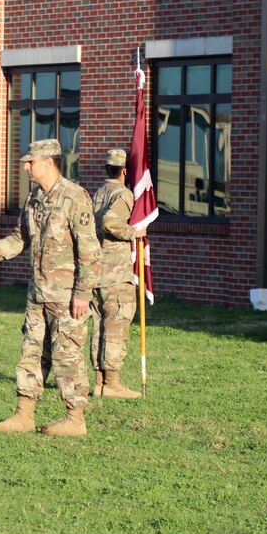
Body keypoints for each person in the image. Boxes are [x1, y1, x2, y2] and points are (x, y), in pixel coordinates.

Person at [0, 139, 101, 436]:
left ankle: (75, 419)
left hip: (67, 296)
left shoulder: (74, 197)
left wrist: (83, 293)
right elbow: (20, 239)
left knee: (66, 355)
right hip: (38, 294)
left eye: (31, 162)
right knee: (30, 353)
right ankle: (24, 415)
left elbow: (90, 250)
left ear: (48, 162)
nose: (25, 167)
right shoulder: (34, 198)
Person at [89, 149, 147, 399]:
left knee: (100, 325)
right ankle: (112, 383)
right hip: (114, 273)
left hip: (96, 271)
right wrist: (134, 233)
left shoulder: (99, 192)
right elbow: (110, 222)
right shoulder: (123, 194)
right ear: (125, 171)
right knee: (116, 325)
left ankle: (100, 381)